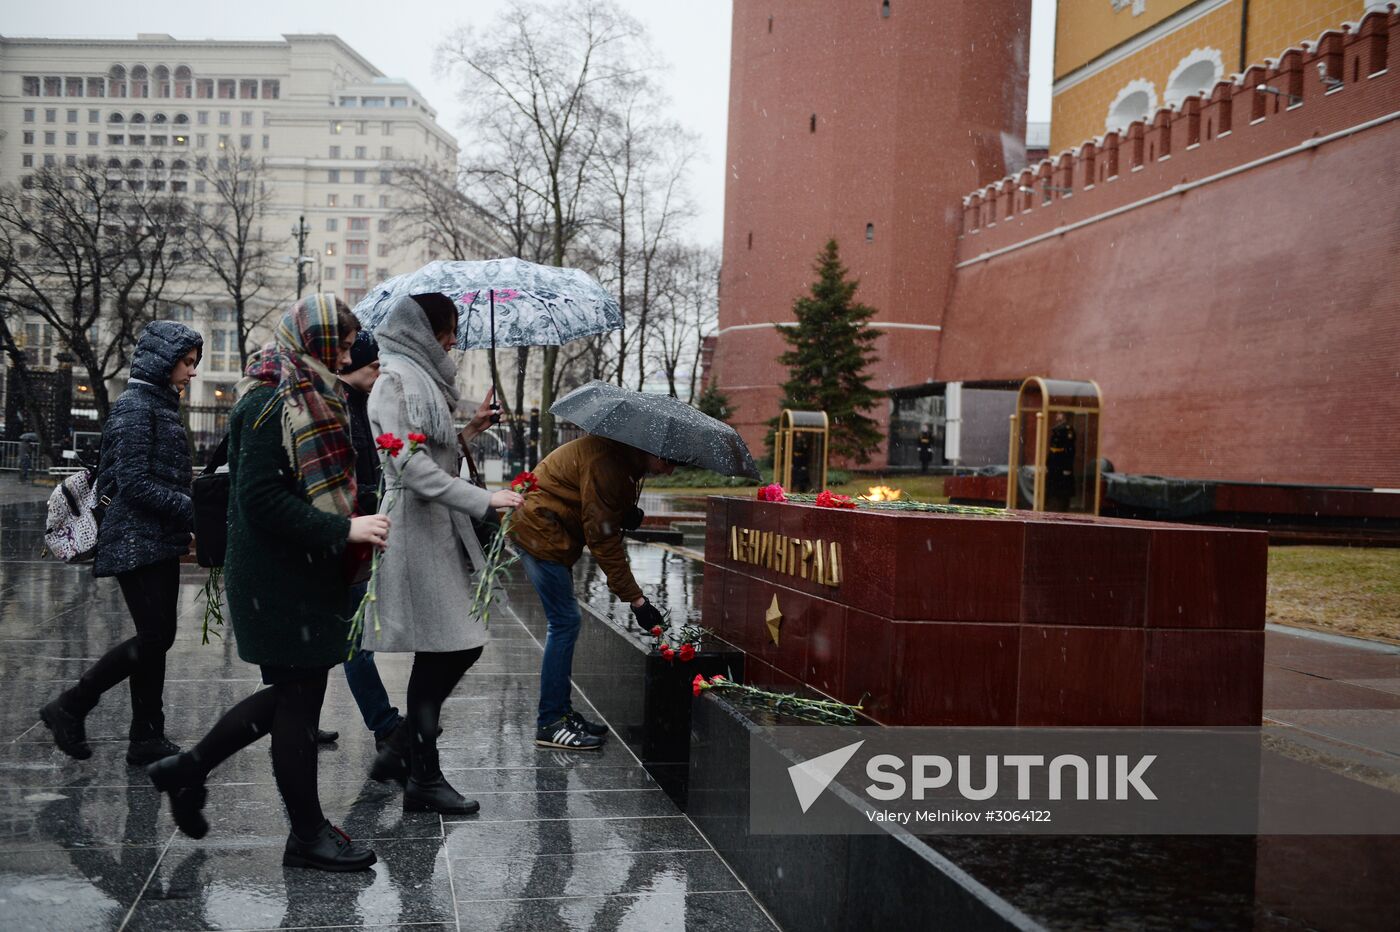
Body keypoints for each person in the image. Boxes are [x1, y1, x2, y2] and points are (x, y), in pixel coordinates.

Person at [146, 295, 390, 872]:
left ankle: (190, 771)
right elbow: (259, 500)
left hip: (303, 575)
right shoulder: (268, 399)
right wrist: (344, 526)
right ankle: (305, 833)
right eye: (346, 342)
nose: (352, 352)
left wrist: (359, 513)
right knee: (297, 706)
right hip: (279, 581)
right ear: (317, 340)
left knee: (292, 701)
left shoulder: (309, 390)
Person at [362, 293, 522, 814]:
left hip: (434, 530)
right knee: (450, 647)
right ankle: (419, 771)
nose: (454, 340)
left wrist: (471, 431)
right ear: (425, 331)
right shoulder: (393, 382)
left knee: (451, 646)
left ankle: (407, 754)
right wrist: (484, 497)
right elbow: (407, 465)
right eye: (449, 329)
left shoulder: (419, 381)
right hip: (412, 531)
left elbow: (429, 447)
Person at [39, 321, 203, 766]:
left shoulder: (161, 405)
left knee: (157, 637)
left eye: (193, 364)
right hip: (135, 537)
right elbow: (131, 482)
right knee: (156, 636)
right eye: (186, 363)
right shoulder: (136, 407)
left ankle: (147, 734)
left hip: (156, 536)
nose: (191, 373)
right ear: (162, 360)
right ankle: (71, 705)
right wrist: (191, 509)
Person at [510, 434, 675, 750]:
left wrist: (625, 510)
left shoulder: (623, 457)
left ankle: (561, 712)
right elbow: (602, 539)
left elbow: (598, 507)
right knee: (565, 622)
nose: (669, 472)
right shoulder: (609, 463)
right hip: (540, 530)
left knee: (565, 623)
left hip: (547, 527)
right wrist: (637, 601)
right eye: (668, 462)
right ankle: (550, 723)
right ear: (651, 450)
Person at [336, 331, 407, 761]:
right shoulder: (338, 408)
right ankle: (384, 725)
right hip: (345, 535)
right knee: (353, 637)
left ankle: (298, 715)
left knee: (346, 634)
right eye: (373, 366)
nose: (379, 372)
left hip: (359, 532)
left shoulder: (363, 404)